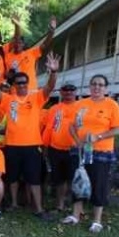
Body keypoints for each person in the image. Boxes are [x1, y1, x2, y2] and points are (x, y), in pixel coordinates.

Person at [0, 52, 59, 219]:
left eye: (24, 82)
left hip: (32, 146)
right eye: (19, 83)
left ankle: (39, 209)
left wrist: (53, 72)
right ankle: (13, 204)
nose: (22, 85)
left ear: (28, 83)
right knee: (12, 177)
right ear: (14, 85)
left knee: (34, 179)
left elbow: (50, 87)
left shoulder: (36, 97)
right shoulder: (7, 99)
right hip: (12, 145)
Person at [63, 74, 119, 233]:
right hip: (80, 151)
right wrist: (77, 140)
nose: (97, 87)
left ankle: (97, 221)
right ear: (89, 86)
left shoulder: (112, 105)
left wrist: (98, 137)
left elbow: (118, 129)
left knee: (99, 184)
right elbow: (71, 126)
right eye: (94, 84)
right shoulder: (80, 104)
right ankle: (75, 215)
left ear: (105, 88)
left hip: (100, 152)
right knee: (78, 182)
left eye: (101, 85)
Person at [42, 82, 77, 211]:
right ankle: (60, 205)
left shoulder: (81, 107)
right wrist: (45, 146)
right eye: (65, 90)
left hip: (74, 149)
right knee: (59, 179)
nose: (68, 92)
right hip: (55, 149)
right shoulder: (54, 109)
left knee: (74, 178)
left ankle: (76, 206)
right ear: (61, 92)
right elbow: (48, 128)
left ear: (75, 92)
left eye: (71, 89)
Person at [3, 14, 56, 91]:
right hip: (15, 92)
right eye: (16, 42)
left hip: (31, 90)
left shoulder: (31, 53)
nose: (17, 44)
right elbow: (5, 75)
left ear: (23, 44)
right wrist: (9, 75)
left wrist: (51, 31)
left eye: (20, 43)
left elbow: (45, 44)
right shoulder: (7, 56)